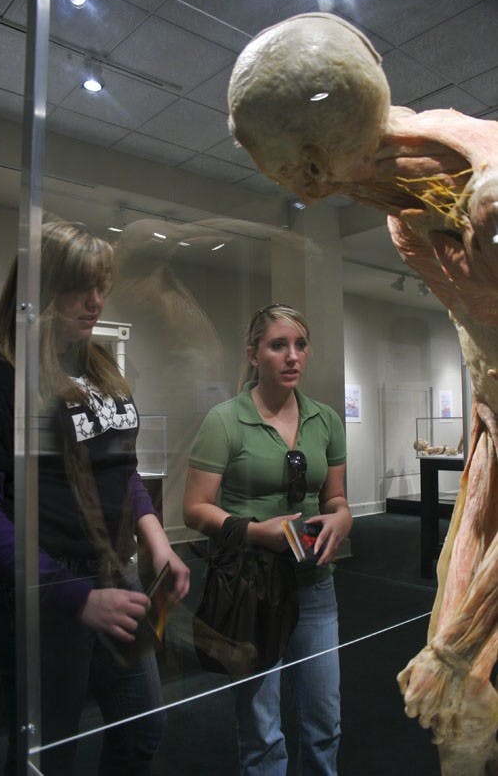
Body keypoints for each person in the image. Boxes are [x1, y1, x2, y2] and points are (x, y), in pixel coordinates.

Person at [0, 220, 190, 775]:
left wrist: (157, 539)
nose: (95, 300)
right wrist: (73, 596)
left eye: (100, 285)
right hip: (43, 585)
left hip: (114, 569)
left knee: (142, 728)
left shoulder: (99, 364)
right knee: (48, 751)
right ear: (39, 287)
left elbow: (122, 470)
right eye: (78, 286)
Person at [183, 303, 352, 776]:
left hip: (314, 583)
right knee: (262, 735)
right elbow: (194, 509)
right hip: (251, 586)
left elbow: (335, 497)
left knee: (325, 723)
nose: (292, 356)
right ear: (254, 354)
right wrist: (256, 531)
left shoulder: (325, 420)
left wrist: (343, 519)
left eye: (300, 345)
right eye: (278, 345)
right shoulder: (224, 420)